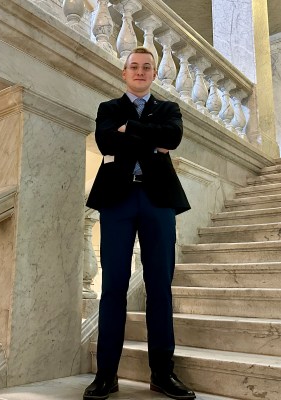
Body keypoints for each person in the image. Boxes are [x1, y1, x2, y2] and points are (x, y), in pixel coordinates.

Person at [84, 47, 195, 400]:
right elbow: (105, 140)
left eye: (147, 67)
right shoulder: (107, 109)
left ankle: (163, 373)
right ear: (124, 72)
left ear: (152, 74)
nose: (141, 71)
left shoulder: (169, 109)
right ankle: (106, 375)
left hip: (158, 200)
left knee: (159, 285)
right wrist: (152, 142)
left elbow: (172, 138)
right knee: (113, 286)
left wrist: (130, 129)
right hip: (117, 200)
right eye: (134, 66)